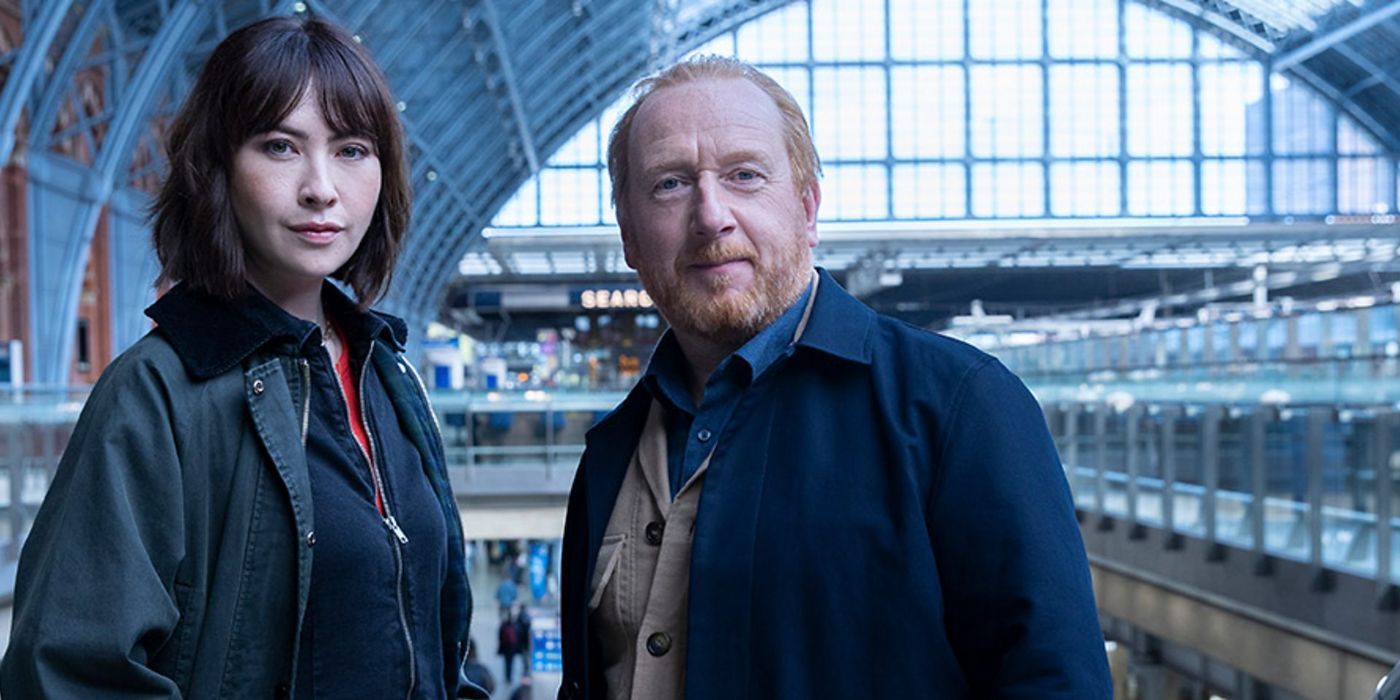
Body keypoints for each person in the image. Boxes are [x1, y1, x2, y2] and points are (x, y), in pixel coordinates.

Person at [558, 56, 1112, 699]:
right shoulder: (612, 451)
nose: (711, 216)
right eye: (670, 184)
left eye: (744, 175)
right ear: (628, 234)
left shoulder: (957, 407)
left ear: (807, 207)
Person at [0, 16, 486, 699]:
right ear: (218, 169)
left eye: (351, 150)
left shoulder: (384, 371)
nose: (322, 187)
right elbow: (66, 676)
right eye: (281, 147)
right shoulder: (156, 394)